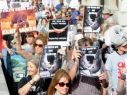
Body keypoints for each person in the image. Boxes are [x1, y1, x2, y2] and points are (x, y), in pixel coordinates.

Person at [105, 25, 127, 95]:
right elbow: (108, 75)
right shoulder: (111, 57)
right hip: (116, 90)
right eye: (124, 45)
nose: (126, 46)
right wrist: (110, 90)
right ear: (117, 46)